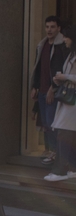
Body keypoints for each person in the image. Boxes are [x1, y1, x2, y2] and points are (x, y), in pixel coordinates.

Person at [30, 16, 69, 165]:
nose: (49, 30)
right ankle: (50, 150)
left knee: (53, 122)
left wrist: (54, 88)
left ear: (58, 28)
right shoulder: (42, 44)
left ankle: (55, 152)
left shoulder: (62, 46)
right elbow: (38, 67)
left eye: (52, 27)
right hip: (42, 89)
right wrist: (35, 86)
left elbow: (62, 70)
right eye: (47, 27)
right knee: (46, 122)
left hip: (55, 90)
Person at [44, 25, 76, 182]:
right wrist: (60, 79)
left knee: (64, 135)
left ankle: (60, 171)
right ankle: (71, 168)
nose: (64, 40)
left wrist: (66, 77)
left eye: (66, 37)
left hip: (72, 102)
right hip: (68, 100)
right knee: (68, 135)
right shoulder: (70, 55)